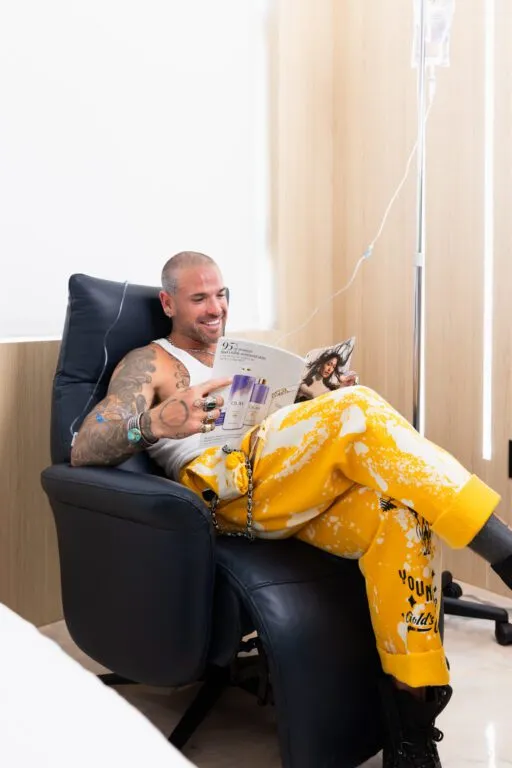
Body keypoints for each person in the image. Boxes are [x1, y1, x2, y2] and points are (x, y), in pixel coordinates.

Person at [71, 251, 512, 768]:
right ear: (168, 302)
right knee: (359, 409)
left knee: (402, 515)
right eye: (199, 298)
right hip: (222, 484)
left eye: (221, 295)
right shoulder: (152, 362)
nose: (215, 308)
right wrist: (159, 422)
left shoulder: (245, 358)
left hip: (280, 480)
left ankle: (410, 734)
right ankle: (503, 549)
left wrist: (311, 400)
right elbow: (84, 446)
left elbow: (285, 437)